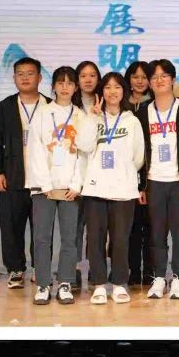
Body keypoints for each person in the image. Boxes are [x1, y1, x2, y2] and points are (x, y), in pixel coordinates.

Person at [77, 72, 145, 304]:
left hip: (123, 190)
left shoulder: (131, 121)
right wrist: (92, 118)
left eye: (117, 87)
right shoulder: (93, 117)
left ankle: (118, 283)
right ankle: (98, 284)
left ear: (123, 91)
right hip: (95, 188)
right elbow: (83, 146)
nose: (112, 92)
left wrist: (123, 173)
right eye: (107, 87)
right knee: (95, 239)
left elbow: (138, 157)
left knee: (120, 239)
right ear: (101, 92)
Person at [138, 59, 179, 300]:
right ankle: (158, 277)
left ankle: (177, 277)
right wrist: (141, 185)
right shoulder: (142, 112)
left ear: (173, 79)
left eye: (164, 75)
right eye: (154, 77)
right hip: (153, 181)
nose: (159, 80)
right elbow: (138, 151)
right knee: (156, 232)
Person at [0, 57, 51, 289]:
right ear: (14, 78)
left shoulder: (51, 107)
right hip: (12, 178)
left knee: (42, 229)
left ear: (39, 78)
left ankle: (40, 268)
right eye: (20, 74)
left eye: (30, 73)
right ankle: (15, 269)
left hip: (43, 181)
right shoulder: (3, 108)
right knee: (11, 227)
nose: (25, 78)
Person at [26, 65, 88, 305]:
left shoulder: (81, 116)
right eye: (60, 83)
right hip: (44, 188)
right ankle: (43, 284)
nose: (65, 87)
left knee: (70, 238)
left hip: (70, 189)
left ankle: (65, 282)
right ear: (53, 86)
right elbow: (35, 149)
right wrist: (45, 184)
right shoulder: (43, 113)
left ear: (75, 87)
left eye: (69, 83)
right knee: (42, 237)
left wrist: (76, 184)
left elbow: (83, 153)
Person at [73, 60, 103, 288]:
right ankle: (72, 268)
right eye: (83, 75)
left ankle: (96, 267)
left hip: (98, 174)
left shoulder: (107, 102)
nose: (88, 79)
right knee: (74, 226)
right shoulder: (68, 105)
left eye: (92, 75)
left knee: (96, 228)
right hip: (74, 174)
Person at [124, 60, 154, 286]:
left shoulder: (156, 105)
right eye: (135, 77)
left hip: (151, 172)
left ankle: (150, 271)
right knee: (130, 226)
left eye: (144, 77)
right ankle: (133, 271)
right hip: (125, 173)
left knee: (151, 226)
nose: (140, 81)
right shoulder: (121, 104)